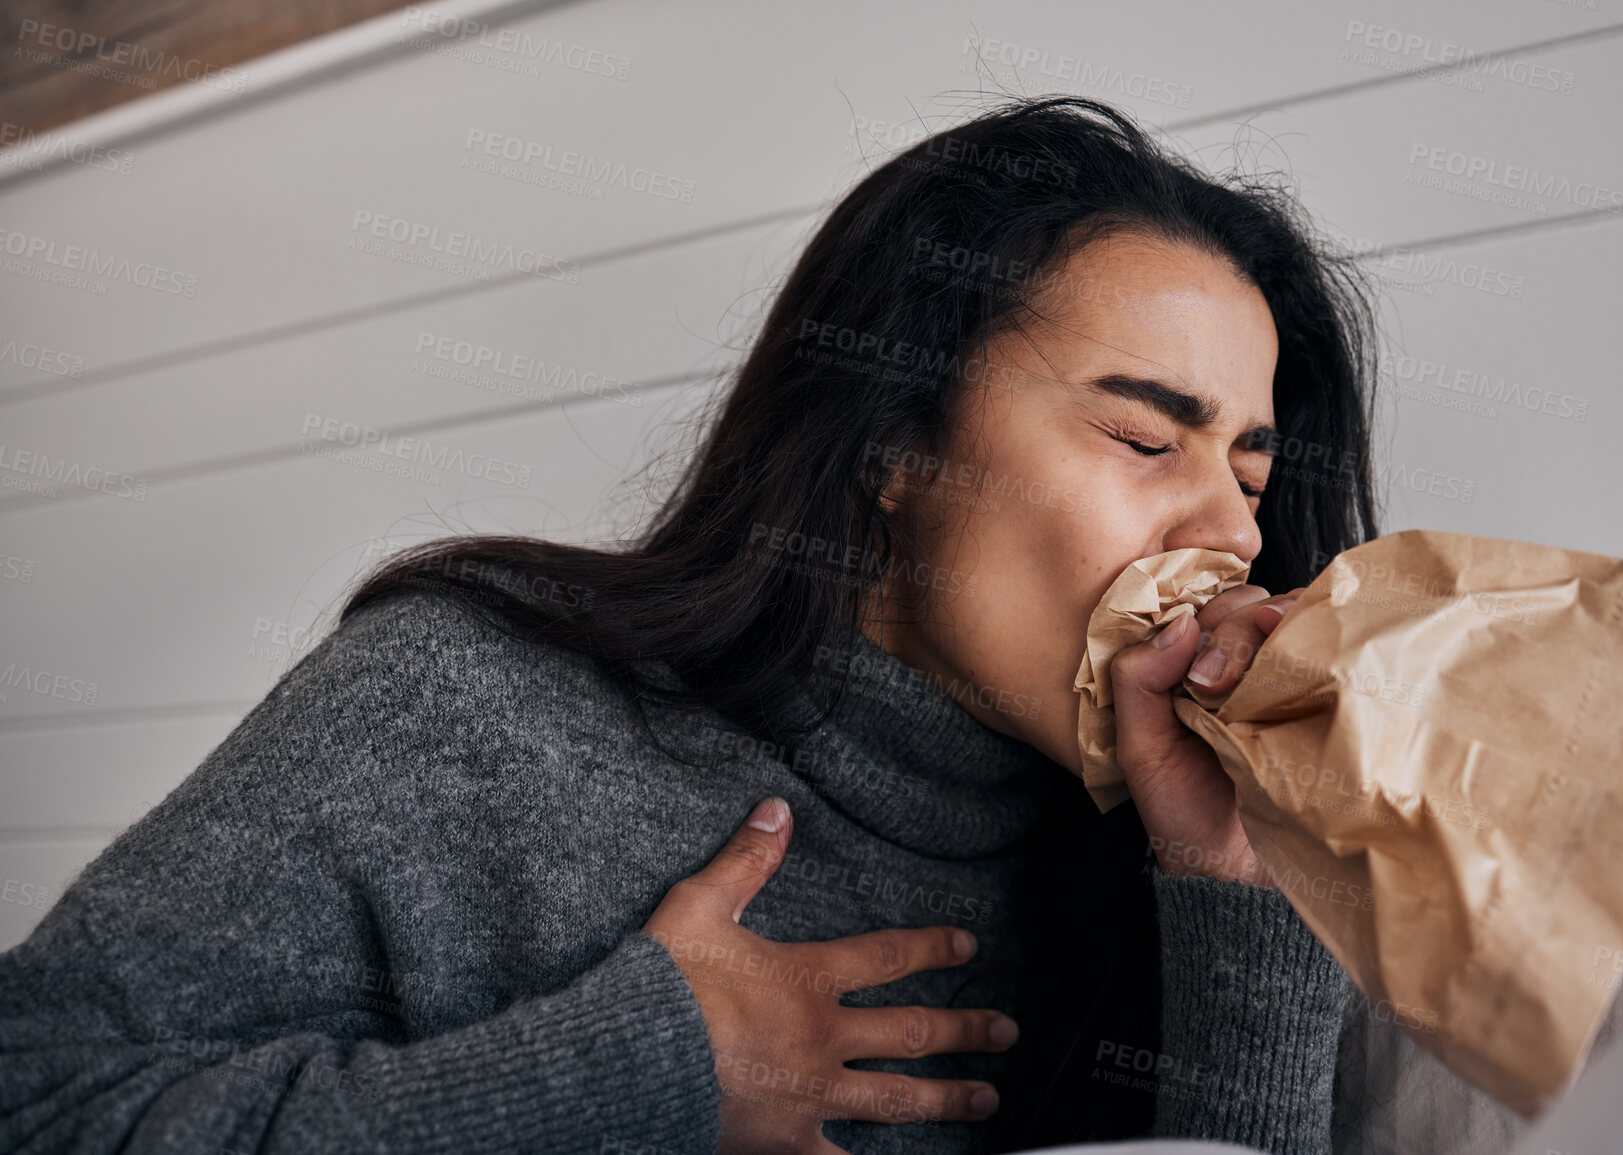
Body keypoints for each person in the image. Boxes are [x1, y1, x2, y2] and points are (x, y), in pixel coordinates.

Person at [0, 96, 1379, 1154]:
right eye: (1146, 436)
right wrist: (634, 1071)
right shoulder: (467, 712)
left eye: (1254, 476)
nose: (1235, 534)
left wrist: (1242, 900)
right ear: (893, 446)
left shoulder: (1190, 863)